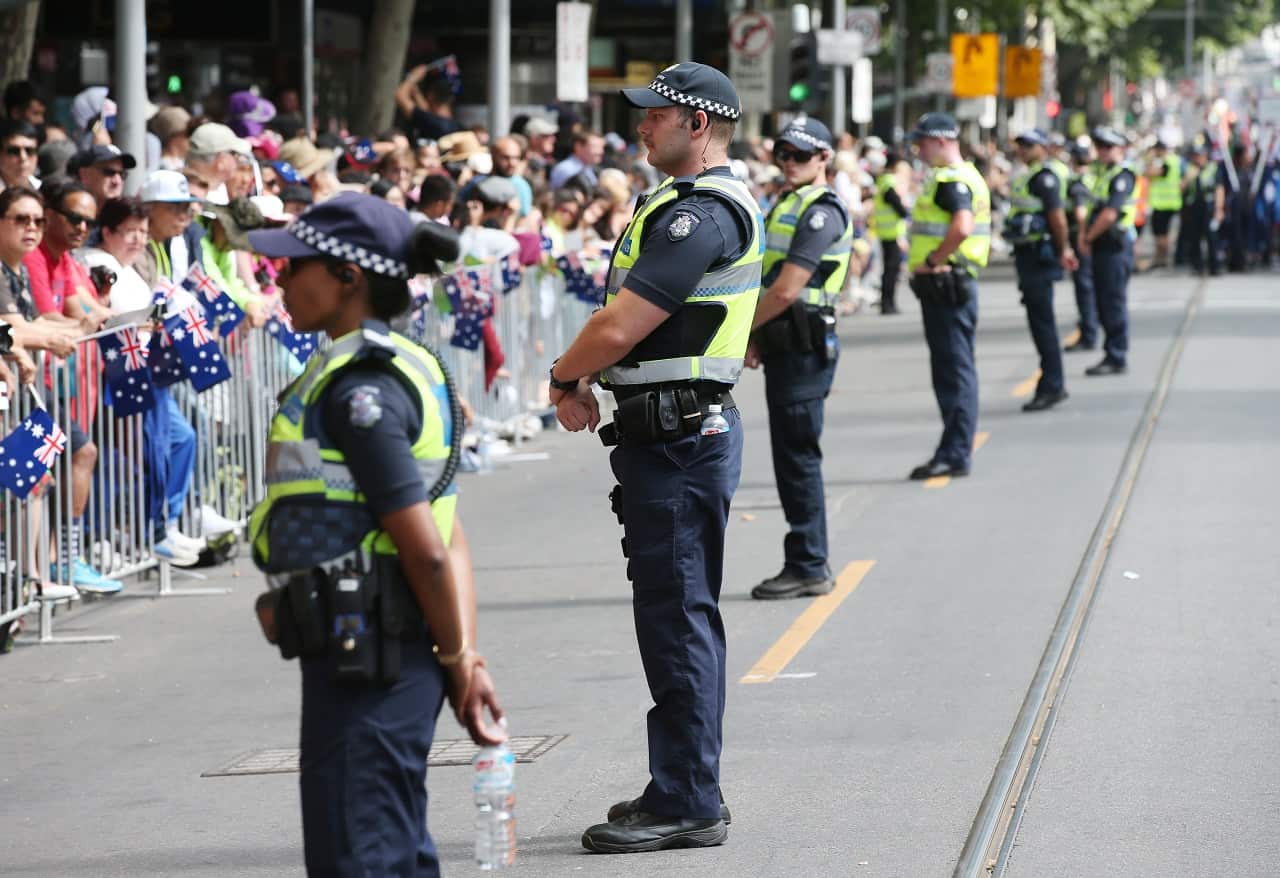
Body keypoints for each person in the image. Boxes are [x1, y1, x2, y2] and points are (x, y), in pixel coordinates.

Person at [244, 193, 503, 877]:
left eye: (294, 265)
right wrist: (463, 656)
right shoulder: (398, 365)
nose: (279, 280)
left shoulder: (364, 388)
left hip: (373, 658)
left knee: (360, 855)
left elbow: (426, 544)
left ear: (349, 277)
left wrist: (458, 660)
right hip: (377, 650)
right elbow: (452, 536)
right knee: (390, 848)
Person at [549, 61, 758, 853]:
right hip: (666, 434)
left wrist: (568, 374)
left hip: (678, 440)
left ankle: (688, 797)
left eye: (655, 114)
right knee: (673, 614)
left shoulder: (699, 213)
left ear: (697, 124)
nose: (641, 125)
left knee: (676, 618)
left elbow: (621, 323)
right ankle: (680, 781)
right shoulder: (680, 205)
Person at [744, 116, 851, 600]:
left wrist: (742, 332)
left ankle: (808, 562)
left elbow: (786, 291)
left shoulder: (821, 211)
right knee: (791, 456)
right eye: (782, 155)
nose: (788, 163)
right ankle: (806, 560)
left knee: (798, 459)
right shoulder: (789, 202)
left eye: (799, 156)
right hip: (785, 344)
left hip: (803, 347)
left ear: (824, 158)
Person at [82, 198, 204, 566]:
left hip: (146, 371)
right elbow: (102, 314)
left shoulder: (130, 269)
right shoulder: (93, 263)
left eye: (142, 232)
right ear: (108, 232)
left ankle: (161, 524)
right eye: (130, 231)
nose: (138, 239)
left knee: (175, 442)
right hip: (114, 373)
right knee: (114, 457)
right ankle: (96, 536)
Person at [905, 113, 991, 480]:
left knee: (953, 373)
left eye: (922, 143)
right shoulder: (959, 177)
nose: (918, 150)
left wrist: (932, 260)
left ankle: (955, 452)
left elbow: (962, 225)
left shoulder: (952, 180)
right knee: (955, 370)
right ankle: (954, 448)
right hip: (952, 285)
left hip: (947, 283)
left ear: (942, 141)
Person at [1006, 130, 1076, 412]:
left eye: (1029, 145)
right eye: (1020, 145)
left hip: (1039, 256)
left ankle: (1053, 384)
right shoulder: (1028, 175)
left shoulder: (1044, 177)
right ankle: (1051, 382)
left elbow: (1057, 218)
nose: (1022, 150)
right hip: (1028, 256)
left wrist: (1064, 250)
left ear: (1043, 147)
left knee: (1043, 323)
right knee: (1039, 321)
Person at [1080, 127, 1137, 377]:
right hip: (1104, 247)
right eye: (1100, 146)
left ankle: (1116, 355)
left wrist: (1087, 238)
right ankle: (1111, 351)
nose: (1103, 151)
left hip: (1115, 247)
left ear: (1121, 149)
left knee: (1113, 302)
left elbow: (1110, 213)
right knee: (1104, 301)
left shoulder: (1122, 175)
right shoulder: (1103, 173)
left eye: (1108, 147)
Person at [1064, 142, 1099, 353]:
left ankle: (1088, 333)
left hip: (1081, 237)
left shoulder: (1076, 183)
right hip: (1095, 238)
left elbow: (1079, 213)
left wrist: (1083, 236)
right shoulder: (1095, 178)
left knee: (1084, 287)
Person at [872, 150, 909, 314]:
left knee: (890, 269)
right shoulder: (888, 181)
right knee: (891, 270)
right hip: (891, 232)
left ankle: (888, 302)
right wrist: (905, 212)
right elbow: (893, 201)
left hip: (887, 231)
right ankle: (888, 304)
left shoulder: (883, 179)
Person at [396, 68, 461, 142]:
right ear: (451, 99)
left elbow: (400, 96)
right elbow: (426, 111)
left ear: (430, 96)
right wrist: (415, 91)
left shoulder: (433, 123)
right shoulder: (453, 126)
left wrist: (413, 77)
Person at [1145, 140, 1182, 269]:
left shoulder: (1168, 161)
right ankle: (1161, 257)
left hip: (1163, 204)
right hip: (1167, 203)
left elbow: (1150, 173)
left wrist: (1149, 160)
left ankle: (1163, 258)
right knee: (1162, 233)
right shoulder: (1174, 160)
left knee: (1161, 233)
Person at [70, 144, 136, 207]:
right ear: (84, 174)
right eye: (109, 172)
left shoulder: (128, 215)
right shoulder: (67, 210)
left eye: (122, 174)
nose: (117, 182)